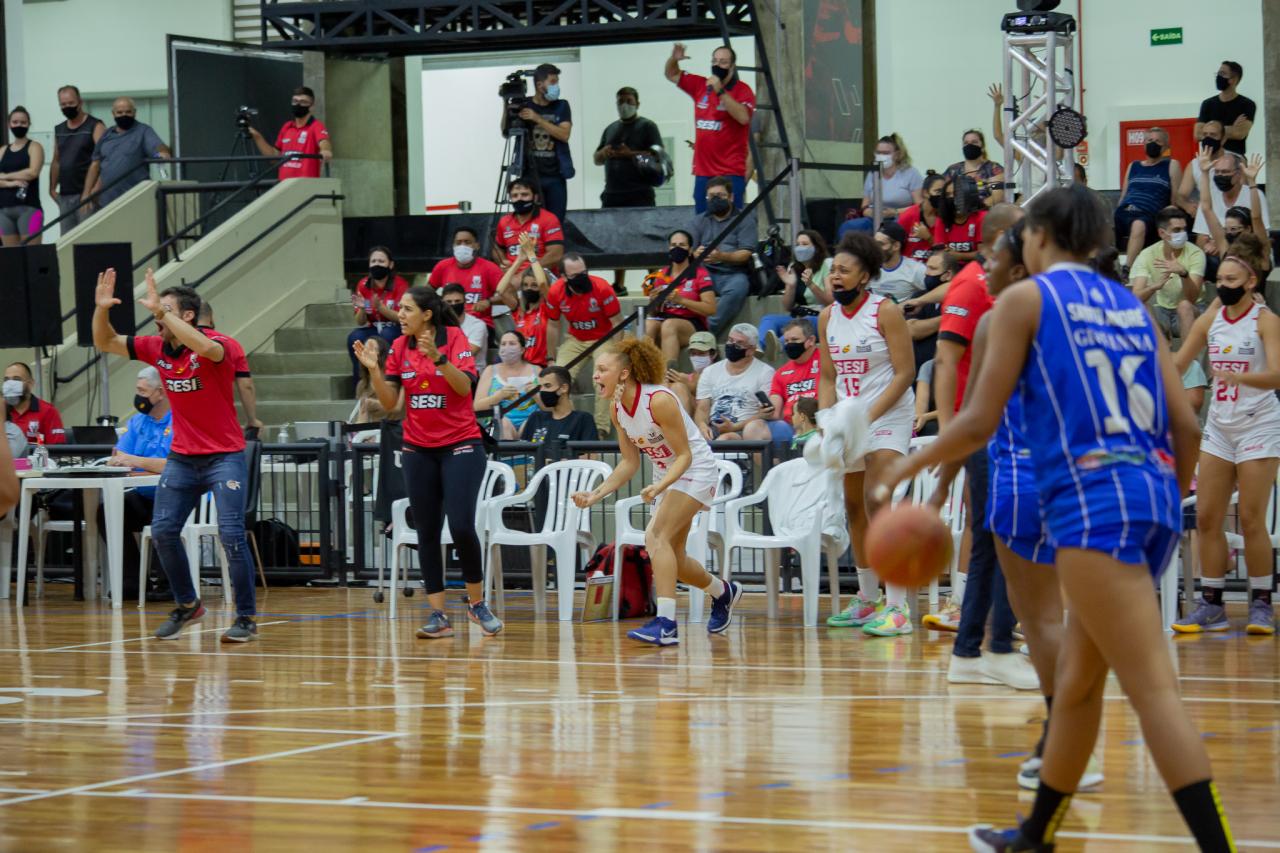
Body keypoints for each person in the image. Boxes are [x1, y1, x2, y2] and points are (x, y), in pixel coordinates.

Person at [880, 184, 1231, 853]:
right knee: (1075, 689)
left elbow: (977, 421)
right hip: (1152, 499)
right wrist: (1163, 491)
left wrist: (907, 467)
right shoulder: (1131, 305)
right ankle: (1034, 837)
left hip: (1095, 505)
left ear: (1036, 236)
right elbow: (1186, 425)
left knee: (1153, 693)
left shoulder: (1027, 300)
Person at [92, 269, 258, 643]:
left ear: (188, 316)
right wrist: (101, 309)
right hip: (183, 458)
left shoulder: (221, 344)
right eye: (156, 309)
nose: (156, 315)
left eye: (165, 309)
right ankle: (188, 605)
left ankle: (246, 618)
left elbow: (207, 349)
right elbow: (105, 341)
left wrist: (162, 313)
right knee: (164, 531)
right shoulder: (156, 347)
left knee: (232, 534)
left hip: (224, 456)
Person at [353, 285, 501, 639]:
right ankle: (439, 615)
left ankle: (477, 604)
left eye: (406, 309)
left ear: (427, 314)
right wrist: (374, 373)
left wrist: (438, 358)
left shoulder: (454, 338)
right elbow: (392, 405)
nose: (399, 315)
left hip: (461, 444)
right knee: (427, 531)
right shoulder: (398, 347)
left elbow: (464, 388)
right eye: (400, 309)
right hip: (418, 449)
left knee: (462, 525)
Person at [573, 336, 741, 643]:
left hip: (695, 469)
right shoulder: (617, 409)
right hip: (667, 475)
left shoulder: (658, 401)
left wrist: (660, 485)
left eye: (602, 370)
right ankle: (722, 591)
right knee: (673, 559)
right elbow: (629, 463)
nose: (595, 376)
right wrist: (595, 494)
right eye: (596, 370)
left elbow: (685, 456)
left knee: (656, 536)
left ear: (624, 373)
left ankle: (666, 624)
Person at [929, 205, 1034, 687]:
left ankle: (974, 649)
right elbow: (946, 362)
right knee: (1004, 537)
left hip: (1004, 427)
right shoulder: (973, 284)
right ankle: (995, 646)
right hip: (989, 432)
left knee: (995, 540)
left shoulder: (1017, 288)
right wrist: (951, 434)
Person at [1173, 235, 1279, 635]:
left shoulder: (1266, 321)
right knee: (1206, 516)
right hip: (1220, 425)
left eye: (1232, 279)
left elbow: (1277, 375)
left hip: (1258, 423)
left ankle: (1261, 604)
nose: (1223, 285)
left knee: (1250, 518)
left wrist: (1240, 377)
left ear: (1251, 281)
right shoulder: (1210, 319)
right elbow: (1178, 364)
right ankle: (1211, 604)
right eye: (1220, 279)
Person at [818, 232, 916, 637]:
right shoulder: (827, 317)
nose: (835, 276)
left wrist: (867, 416)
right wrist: (826, 419)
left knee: (878, 501)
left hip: (889, 413)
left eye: (844, 270)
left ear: (865, 276)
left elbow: (905, 372)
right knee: (855, 506)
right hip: (848, 417)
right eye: (833, 270)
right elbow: (828, 376)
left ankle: (898, 606)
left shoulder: (886, 311)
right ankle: (867, 598)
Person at [99, 366, 174, 601]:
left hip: (176, 495)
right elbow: (118, 456)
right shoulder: (138, 422)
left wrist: (136, 461)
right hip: (144, 494)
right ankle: (132, 581)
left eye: (143, 391)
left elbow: (173, 465)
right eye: (137, 390)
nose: (138, 396)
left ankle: (169, 583)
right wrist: (124, 461)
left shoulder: (181, 420)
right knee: (107, 511)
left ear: (160, 392)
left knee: (164, 511)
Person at [666, 42, 755, 212]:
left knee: (729, 218)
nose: (717, 65)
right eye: (714, 61)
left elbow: (744, 118)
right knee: (702, 218)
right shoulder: (701, 85)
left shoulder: (742, 90)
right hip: (703, 171)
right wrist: (673, 59)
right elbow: (671, 74)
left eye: (723, 62)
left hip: (730, 171)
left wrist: (720, 91)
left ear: (732, 66)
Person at [546, 253, 622, 436]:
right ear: (564, 277)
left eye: (584, 273)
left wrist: (617, 354)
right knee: (557, 377)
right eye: (575, 275)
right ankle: (567, 425)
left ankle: (600, 430)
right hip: (576, 339)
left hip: (603, 338)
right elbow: (553, 325)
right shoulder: (555, 292)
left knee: (603, 377)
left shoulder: (602, 288)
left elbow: (618, 323)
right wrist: (550, 357)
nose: (582, 278)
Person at [504, 63, 574, 223]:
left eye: (557, 82)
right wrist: (505, 104)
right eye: (553, 82)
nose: (556, 86)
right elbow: (506, 132)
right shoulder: (524, 105)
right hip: (530, 175)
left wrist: (537, 118)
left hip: (556, 175)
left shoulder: (561, 106)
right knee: (531, 223)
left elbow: (564, 135)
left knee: (555, 222)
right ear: (539, 85)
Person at [690, 177, 756, 334]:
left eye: (720, 195)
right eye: (711, 196)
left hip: (732, 273)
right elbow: (687, 250)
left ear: (731, 197)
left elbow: (745, 253)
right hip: (704, 272)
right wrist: (695, 254)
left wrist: (722, 256)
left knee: (739, 287)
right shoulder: (698, 221)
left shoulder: (745, 219)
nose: (715, 199)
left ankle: (706, 330)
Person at [1130, 206, 1206, 339]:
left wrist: (1183, 273)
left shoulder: (1196, 253)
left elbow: (1192, 299)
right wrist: (1153, 287)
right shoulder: (1147, 254)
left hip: (1193, 310)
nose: (1182, 234)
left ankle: (1188, 353)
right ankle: (1161, 350)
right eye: (1177, 230)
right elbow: (1136, 297)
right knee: (1142, 306)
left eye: (1184, 229)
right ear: (1162, 233)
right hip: (1162, 310)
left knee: (1184, 306)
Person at [82, 97, 171, 209]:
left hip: (135, 199)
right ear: (113, 114)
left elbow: (158, 146)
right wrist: (87, 193)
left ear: (134, 112)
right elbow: (96, 164)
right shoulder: (107, 135)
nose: (124, 115)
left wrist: (163, 152)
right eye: (119, 112)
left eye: (128, 112)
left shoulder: (143, 131)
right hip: (106, 201)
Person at [1114, 126, 1180, 275]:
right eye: (1150, 140)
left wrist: (1171, 210)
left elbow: (1175, 199)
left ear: (1166, 147)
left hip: (1149, 214)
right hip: (1125, 210)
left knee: (1138, 225)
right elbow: (1124, 195)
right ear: (1144, 144)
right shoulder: (1133, 166)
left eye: (1158, 141)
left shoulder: (1171, 165)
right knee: (1103, 224)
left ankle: (1127, 269)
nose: (1153, 143)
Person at [644, 229, 717, 363]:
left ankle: (669, 372)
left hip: (692, 323)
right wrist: (654, 301)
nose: (677, 248)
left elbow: (711, 309)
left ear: (690, 250)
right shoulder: (661, 274)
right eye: (673, 245)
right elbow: (653, 312)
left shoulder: (700, 274)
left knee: (669, 325)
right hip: (664, 319)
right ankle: (644, 371)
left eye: (682, 245)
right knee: (648, 324)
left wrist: (681, 300)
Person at [694, 323, 774, 442]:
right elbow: (702, 408)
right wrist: (702, 425)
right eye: (730, 340)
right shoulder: (710, 371)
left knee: (725, 439)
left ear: (751, 350)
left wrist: (734, 427)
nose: (732, 345)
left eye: (739, 343)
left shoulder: (765, 372)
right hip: (713, 428)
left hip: (744, 430)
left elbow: (764, 414)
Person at [196, 300, 264, 435]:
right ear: (211, 317)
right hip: (221, 425)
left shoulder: (177, 345)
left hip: (184, 426)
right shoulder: (231, 344)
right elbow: (246, 385)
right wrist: (252, 419)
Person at [758, 230, 832, 348]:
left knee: (803, 323)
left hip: (820, 318)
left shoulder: (827, 264)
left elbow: (831, 302)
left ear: (816, 248)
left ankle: (777, 347)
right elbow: (787, 307)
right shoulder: (793, 267)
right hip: (799, 317)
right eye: (798, 244)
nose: (800, 248)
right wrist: (790, 286)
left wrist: (811, 285)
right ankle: (761, 348)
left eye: (805, 244)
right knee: (769, 319)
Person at [837, 133, 923, 236]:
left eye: (886, 153)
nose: (881, 156)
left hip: (899, 218)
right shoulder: (873, 173)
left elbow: (920, 206)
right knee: (848, 227)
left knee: (888, 232)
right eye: (878, 153)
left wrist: (895, 212)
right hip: (874, 219)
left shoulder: (911, 173)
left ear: (897, 154)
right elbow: (864, 206)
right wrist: (871, 212)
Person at [1196, 148, 1272, 264]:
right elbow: (1206, 209)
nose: (1229, 233)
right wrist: (1205, 173)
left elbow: (1256, 218)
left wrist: (1252, 181)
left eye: (1234, 229)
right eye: (1226, 229)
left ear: (1248, 229)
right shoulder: (1225, 248)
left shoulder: (1261, 254)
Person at [347, 247, 409, 385]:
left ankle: (388, 382)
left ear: (390, 265)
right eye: (373, 261)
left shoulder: (400, 284)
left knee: (387, 335)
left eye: (381, 261)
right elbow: (360, 321)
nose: (377, 264)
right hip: (374, 327)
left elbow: (402, 317)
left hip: (396, 327)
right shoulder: (363, 285)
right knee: (355, 337)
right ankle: (362, 384)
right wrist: (363, 308)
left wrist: (380, 307)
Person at [595, 86, 663, 208]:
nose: (624, 105)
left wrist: (630, 154)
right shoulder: (610, 129)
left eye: (629, 101)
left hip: (640, 195)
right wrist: (603, 153)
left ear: (637, 104)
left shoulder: (648, 126)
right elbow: (597, 160)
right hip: (611, 196)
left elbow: (657, 158)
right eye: (621, 102)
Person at [49, 85, 105, 230]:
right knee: (67, 240)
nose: (67, 107)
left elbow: (104, 160)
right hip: (65, 195)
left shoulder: (95, 125)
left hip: (87, 194)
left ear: (80, 102)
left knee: (87, 239)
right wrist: (52, 189)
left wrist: (95, 190)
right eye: (63, 104)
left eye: (71, 103)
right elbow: (56, 160)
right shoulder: (59, 129)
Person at [248, 86, 333, 180]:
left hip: (306, 185)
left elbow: (324, 141)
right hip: (284, 184)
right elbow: (274, 157)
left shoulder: (316, 126)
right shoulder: (287, 127)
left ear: (312, 106)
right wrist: (257, 136)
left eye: (303, 102)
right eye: (295, 101)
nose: (298, 105)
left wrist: (325, 150)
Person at [496, 232, 555, 366]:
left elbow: (542, 283)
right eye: (525, 285)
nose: (529, 289)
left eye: (533, 285)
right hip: (521, 367)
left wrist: (531, 255)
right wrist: (520, 259)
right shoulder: (520, 311)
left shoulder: (547, 307)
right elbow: (500, 290)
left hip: (541, 366)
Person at [758, 319, 820, 446]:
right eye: (786, 341)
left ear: (811, 340)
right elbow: (775, 412)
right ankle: (780, 460)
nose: (789, 344)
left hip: (818, 422)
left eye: (794, 340)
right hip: (790, 427)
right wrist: (766, 412)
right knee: (754, 427)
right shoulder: (781, 372)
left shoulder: (826, 361)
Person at [429, 226, 503, 331]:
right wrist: (440, 302)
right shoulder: (443, 266)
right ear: (453, 246)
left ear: (477, 246)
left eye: (467, 242)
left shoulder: (490, 268)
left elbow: (509, 296)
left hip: (479, 323)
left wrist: (489, 301)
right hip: (449, 322)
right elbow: (427, 291)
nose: (462, 246)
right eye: (458, 243)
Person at [475, 331, 540, 440]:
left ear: (522, 349)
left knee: (532, 422)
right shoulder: (490, 370)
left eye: (512, 343)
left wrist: (535, 394)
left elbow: (548, 406)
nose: (507, 347)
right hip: (500, 422)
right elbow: (477, 406)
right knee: (503, 423)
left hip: (531, 421)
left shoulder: (536, 370)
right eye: (503, 344)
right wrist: (499, 396)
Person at [492, 177, 565, 272]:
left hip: (539, 273)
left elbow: (555, 255)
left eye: (524, 195)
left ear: (535, 197)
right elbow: (497, 248)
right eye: (515, 196)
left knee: (526, 280)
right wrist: (502, 262)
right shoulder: (504, 221)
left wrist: (525, 274)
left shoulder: (549, 219)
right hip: (511, 273)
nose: (519, 199)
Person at [520, 365, 597, 446]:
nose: (542, 390)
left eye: (547, 386)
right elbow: (523, 451)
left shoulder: (583, 419)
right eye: (540, 387)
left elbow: (590, 453)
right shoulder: (536, 418)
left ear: (564, 388)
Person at [0, 107, 45, 247]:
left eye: (23, 122)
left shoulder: (35, 147)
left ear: (29, 124)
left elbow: (32, 172)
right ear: (9, 124)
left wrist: (5, 176)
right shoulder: (2, 150)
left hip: (30, 209)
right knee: (11, 256)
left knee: (32, 254)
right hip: (4, 210)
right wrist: (11, 183)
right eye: (15, 122)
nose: (19, 125)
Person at [1196, 60, 1255, 156]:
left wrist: (1209, 130)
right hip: (1209, 156)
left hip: (1234, 156)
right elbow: (1197, 134)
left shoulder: (1247, 104)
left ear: (1234, 79)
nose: (1218, 76)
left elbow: (1240, 133)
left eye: (1223, 74)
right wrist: (1231, 128)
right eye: (1218, 73)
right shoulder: (1208, 104)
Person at [4, 362, 65, 445]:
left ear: (30, 384)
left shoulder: (48, 411)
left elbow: (57, 449)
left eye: (17, 379)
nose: (10, 385)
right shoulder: (2, 410)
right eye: (6, 380)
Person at [943, 129, 1005, 207]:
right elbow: (942, 192)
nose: (969, 145)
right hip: (957, 212)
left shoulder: (994, 169)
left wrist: (976, 210)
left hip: (986, 212)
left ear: (982, 146)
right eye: (966, 143)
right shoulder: (953, 170)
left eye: (974, 142)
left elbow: (1002, 192)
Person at [932, 175, 986, 263]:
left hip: (975, 267)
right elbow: (940, 251)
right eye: (948, 195)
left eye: (956, 194)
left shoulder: (981, 217)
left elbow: (983, 254)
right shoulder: (942, 219)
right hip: (951, 267)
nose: (952, 198)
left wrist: (960, 256)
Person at [1175, 120, 1225, 215]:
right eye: (1205, 135)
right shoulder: (1194, 164)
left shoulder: (1234, 161)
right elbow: (1180, 196)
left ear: (1223, 139)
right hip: (1205, 214)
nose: (1208, 138)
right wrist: (1187, 206)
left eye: (1213, 135)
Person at [896, 171, 946, 263]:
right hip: (910, 267)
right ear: (925, 193)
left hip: (936, 266)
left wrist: (929, 237)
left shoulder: (946, 217)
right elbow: (896, 247)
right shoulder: (908, 216)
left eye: (944, 192)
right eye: (938, 191)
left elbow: (946, 252)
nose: (942, 196)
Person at [870, 221, 926, 302]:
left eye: (881, 244)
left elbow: (935, 293)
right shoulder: (869, 268)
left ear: (896, 246)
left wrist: (918, 303)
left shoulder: (916, 270)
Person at [440, 284, 489, 372]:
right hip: (444, 372)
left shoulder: (477, 325)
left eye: (457, 301)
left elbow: (468, 354)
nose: (453, 304)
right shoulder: (438, 324)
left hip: (472, 373)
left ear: (465, 302)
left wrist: (439, 355)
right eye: (449, 302)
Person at [667, 331, 717, 414]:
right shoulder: (686, 377)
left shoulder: (719, 375)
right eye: (693, 353)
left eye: (701, 353)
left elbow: (715, 401)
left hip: (707, 415)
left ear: (713, 354)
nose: (697, 357)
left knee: (679, 387)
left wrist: (690, 386)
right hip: (688, 414)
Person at [350, 335, 395, 425]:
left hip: (392, 427)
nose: (367, 351)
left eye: (371, 348)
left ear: (382, 352)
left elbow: (399, 409)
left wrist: (374, 404)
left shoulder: (393, 379)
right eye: (365, 348)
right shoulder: (362, 384)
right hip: (371, 428)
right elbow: (362, 416)